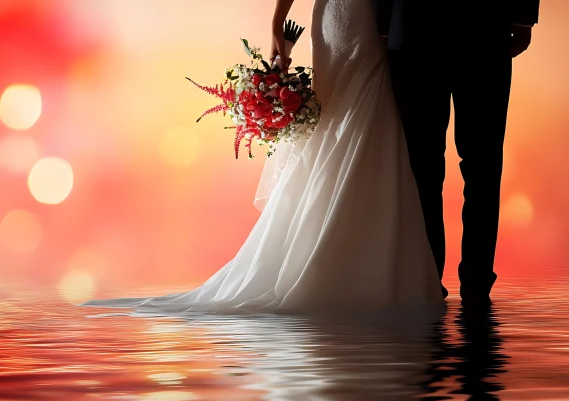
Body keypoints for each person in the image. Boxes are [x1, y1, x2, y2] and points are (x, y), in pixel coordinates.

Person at [85, 0, 444, 314]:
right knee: (348, 116)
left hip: (363, 19)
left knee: (358, 118)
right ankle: (358, 255)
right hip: (349, 17)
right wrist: (277, 27)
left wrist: (279, 25)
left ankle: (355, 249)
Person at [372, 0, 540, 306]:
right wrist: (523, 18)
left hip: (414, 27)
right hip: (483, 27)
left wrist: (383, 22)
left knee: (424, 166)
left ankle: (428, 276)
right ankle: (474, 282)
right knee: (481, 164)